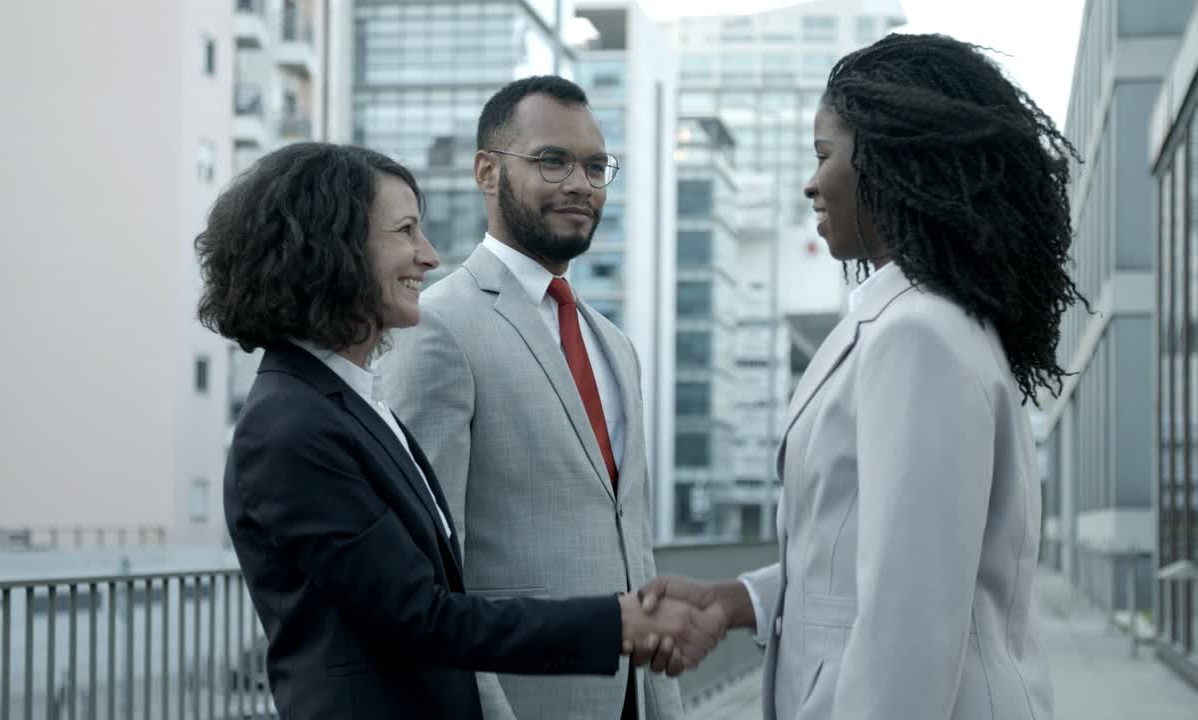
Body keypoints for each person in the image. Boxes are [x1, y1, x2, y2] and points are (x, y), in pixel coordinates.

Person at [637, 33, 1085, 720]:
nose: (811, 183)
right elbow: (866, 561)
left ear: (886, 159)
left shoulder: (918, 337)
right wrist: (736, 602)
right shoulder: (916, 321)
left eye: (824, 154)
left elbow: (909, 626)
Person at [196, 142, 722, 720]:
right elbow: (420, 618)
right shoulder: (290, 428)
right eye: (405, 231)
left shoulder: (348, 403)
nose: (428, 255)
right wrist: (616, 622)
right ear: (328, 247)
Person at [377, 76, 685, 720]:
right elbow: (430, 565)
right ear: (487, 172)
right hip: (523, 700)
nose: (581, 184)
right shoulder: (438, 327)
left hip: (635, 694)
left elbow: (631, 537)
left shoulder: (614, 345)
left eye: (596, 166)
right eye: (552, 160)